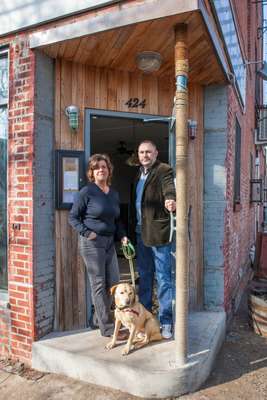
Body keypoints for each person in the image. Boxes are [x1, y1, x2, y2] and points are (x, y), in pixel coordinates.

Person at [69, 154, 128, 338]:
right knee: (99, 284)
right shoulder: (86, 192)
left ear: (109, 170)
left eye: (104, 166)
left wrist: (123, 236)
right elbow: (73, 217)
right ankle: (107, 327)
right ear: (92, 173)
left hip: (110, 242)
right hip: (92, 243)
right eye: (97, 168)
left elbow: (117, 219)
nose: (101, 170)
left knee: (114, 282)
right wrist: (88, 233)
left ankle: (98, 319)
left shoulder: (113, 193)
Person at [133, 140, 176, 339]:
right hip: (141, 233)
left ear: (156, 153)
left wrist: (170, 199)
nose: (145, 155)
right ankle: (145, 320)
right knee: (145, 277)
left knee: (164, 278)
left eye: (148, 152)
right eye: (142, 152)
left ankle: (166, 321)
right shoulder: (138, 174)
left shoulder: (163, 170)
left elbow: (169, 187)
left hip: (158, 233)